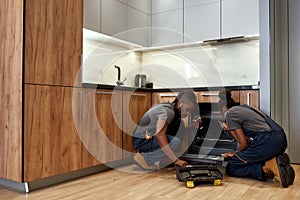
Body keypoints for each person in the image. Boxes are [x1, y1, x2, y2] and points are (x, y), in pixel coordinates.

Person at [218, 89, 295, 188]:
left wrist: (236, 154)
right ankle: (274, 162)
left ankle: (267, 167)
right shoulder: (245, 108)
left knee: (232, 166)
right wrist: (230, 129)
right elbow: (249, 141)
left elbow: (244, 143)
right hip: (280, 139)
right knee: (250, 159)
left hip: (268, 141)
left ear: (223, 108)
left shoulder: (229, 114)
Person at [132, 90, 200, 171]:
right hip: (141, 141)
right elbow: (159, 134)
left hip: (145, 139)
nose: (188, 113)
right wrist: (176, 160)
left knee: (180, 126)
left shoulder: (169, 108)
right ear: (180, 103)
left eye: (190, 111)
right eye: (187, 109)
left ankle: (161, 160)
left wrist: (191, 127)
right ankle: (145, 158)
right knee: (175, 143)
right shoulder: (168, 112)